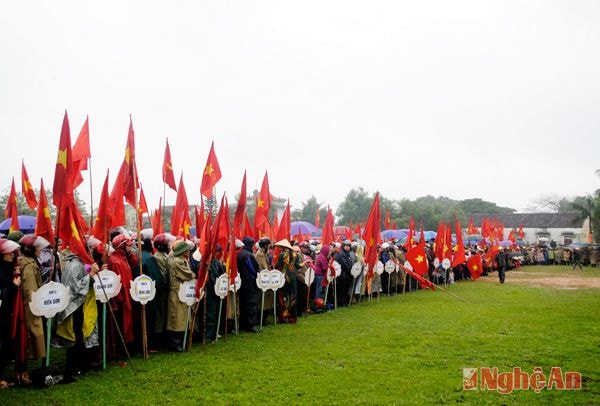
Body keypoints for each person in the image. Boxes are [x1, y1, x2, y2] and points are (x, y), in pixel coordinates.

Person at [54, 245, 100, 376]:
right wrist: (91, 275)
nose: (91, 251)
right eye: (88, 249)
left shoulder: (77, 263)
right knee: (76, 336)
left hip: (78, 305)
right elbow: (77, 288)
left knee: (78, 334)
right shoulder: (75, 265)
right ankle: (75, 366)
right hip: (75, 306)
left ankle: (79, 364)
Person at [18, 236, 46, 370]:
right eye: (37, 247)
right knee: (33, 333)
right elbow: (31, 290)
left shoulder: (29, 262)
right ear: (30, 249)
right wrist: (37, 305)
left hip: (32, 303)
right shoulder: (29, 266)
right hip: (31, 305)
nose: (40, 249)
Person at [107, 234, 137, 356]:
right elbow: (116, 284)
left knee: (128, 323)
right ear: (122, 246)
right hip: (121, 300)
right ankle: (120, 350)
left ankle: (127, 346)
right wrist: (120, 299)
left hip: (127, 297)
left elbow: (134, 264)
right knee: (121, 324)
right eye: (129, 245)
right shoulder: (115, 261)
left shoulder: (124, 258)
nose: (131, 247)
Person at [167, 240, 195, 352]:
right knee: (177, 318)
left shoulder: (181, 260)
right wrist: (194, 274)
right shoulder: (177, 262)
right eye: (187, 250)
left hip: (183, 291)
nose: (189, 252)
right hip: (177, 292)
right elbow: (189, 275)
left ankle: (181, 341)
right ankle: (175, 343)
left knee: (183, 317)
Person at [0, 239, 21, 388]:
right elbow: (4, 294)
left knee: (7, 342)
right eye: (8, 253)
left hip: (7, 313)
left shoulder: (8, 268)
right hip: (2, 312)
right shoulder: (2, 270)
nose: (11, 255)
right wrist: (14, 285)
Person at [237, 236, 260, 333]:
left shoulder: (240, 254)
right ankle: (251, 324)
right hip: (249, 282)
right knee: (251, 303)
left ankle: (243, 323)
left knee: (243, 302)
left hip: (242, 282)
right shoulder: (248, 255)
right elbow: (253, 269)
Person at [152, 234, 171, 347]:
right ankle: (158, 341)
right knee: (160, 315)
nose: (169, 245)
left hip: (166, 291)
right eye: (167, 243)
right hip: (162, 292)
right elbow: (163, 275)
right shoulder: (158, 257)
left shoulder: (164, 255)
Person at [206, 245, 225, 342]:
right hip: (210, 291)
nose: (218, 253)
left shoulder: (216, 262)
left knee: (216, 312)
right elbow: (210, 278)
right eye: (217, 251)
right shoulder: (207, 262)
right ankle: (208, 335)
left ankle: (214, 332)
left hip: (217, 291)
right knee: (210, 314)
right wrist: (215, 287)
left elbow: (222, 273)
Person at [255, 238, 273, 324]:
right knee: (262, 301)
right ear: (265, 245)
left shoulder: (264, 253)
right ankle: (261, 319)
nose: (269, 246)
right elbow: (264, 267)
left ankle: (264, 318)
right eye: (268, 245)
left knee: (266, 300)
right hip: (263, 279)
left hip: (265, 278)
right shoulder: (260, 254)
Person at [334, 240, 354, 306]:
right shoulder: (341, 254)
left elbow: (350, 263)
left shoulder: (348, 253)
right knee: (342, 289)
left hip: (347, 274)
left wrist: (351, 269)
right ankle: (341, 302)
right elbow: (344, 265)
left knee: (346, 289)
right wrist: (350, 270)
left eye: (348, 246)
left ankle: (345, 301)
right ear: (343, 246)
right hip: (343, 275)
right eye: (346, 246)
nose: (347, 247)